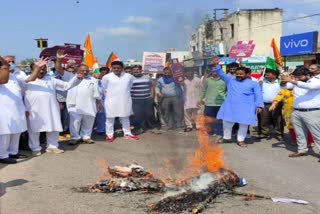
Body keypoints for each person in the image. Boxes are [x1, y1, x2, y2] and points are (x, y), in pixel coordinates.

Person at [25, 60, 84, 156]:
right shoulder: (26, 79)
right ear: (32, 70)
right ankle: (35, 148)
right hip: (33, 109)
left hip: (51, 108)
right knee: (34, 129)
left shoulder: (51, 79)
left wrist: (77, 78)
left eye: (43, 69)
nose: (41, 71)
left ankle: (52, 146)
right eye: (39, 69)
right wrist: (24, 109)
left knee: (53, 127)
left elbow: (66, 86)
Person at [0, 58, 46, 164]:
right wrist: (5, 65)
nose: (11, 63)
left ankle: (13, 152)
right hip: (3, 110)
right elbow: (3, 80)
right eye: (8, 62)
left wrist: (37, 68)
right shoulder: (4, 74)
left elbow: (31, 79)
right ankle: (2, 155)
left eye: (12, 61)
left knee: (16, 132)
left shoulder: (15, 76)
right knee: (5, 133)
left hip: (17, 109)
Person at [211, 57, 264, 147]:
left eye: (241, 74)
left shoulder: (253, 83)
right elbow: (221, 74)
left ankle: (240, 140)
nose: (238, 75)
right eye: (237, 74)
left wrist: (259, 105)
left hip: (246, 107)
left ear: (247, 74)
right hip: (230, 106)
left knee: (243, 124)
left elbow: (258, 95)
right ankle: (227, 138)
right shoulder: (231, 80)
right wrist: (216, 65)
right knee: (227, 122)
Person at [55, 50, 102, 145]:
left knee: (88, 121)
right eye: (82, 70)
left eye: (86, 71)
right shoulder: (70, 76)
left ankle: (86, 136)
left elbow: (96, 93)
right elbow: (59, 69)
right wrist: (59, 60)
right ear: (77, 71)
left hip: (90, 104)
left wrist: (99, 103)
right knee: (75, 122)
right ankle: (75, 137)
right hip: (75, 105)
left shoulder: (93, 79)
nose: (84, 72)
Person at [280, 67, 320, 161]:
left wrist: (293, 80)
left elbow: (310, 87)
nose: (297, 78)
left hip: (312, 112)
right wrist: (284, 81)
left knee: (317, 133)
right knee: (299, 133)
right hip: (296, 111)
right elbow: (284, 86)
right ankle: (302, 150)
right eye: (296, 77)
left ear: (308, 75)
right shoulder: (296, 82)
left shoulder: (316, 81)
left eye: (300, 77)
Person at [101, 61, 139, 142]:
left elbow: (130, 86)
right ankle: (109, 134)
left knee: (125, 117)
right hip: (111, 100)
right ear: (112, 68)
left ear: (122, 68)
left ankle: (127, 133)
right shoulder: (106, 77)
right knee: (110, 118)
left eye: (118, 68)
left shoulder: (129, 76)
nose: (116, 69)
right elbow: (104, 88)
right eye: (114, 68)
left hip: (124, 99)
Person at [130, 65, 160, 134]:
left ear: (141, 70)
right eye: (134, 69)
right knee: (138, 115)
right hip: (135, 100)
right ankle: (141, 128)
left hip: (147, 99)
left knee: (150, 114)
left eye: (137, 69)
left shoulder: (147, 77)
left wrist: (152, 96)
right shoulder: (130, 78)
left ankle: (152, 127)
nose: (136, 71)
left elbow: (152, 86)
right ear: (132, 71)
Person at [198, 68, 226, 138]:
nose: (214, 73)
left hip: (221, 103)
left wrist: (225, 98)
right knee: (208, 119)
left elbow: (227, 91)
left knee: (219, 119)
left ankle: (219, 133)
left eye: (216, 71)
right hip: (209, 103)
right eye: (213, 71)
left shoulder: (224, 80)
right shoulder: (207, 80)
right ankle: (210, 132)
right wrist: (199, 99)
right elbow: (203, 91)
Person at [257, 68, 282, 139]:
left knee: (277, 119)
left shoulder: (279, 82)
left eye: (268, 74)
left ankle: (279, 133)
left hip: (276, 104)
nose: (266, 75)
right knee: (264, 119)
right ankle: (264, 133)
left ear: (274, 75)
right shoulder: (262, 81)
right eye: (266, 73)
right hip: (264, 104)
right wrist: (259, 85)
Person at [183, 68, 201, 132]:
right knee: (187, 114)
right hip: (186, 99)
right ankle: (189, 126)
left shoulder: (198, 80)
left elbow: (201, 89)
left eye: (190, 72)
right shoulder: (183, 81)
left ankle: (198, 125)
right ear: (185, 73)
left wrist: (202, 99)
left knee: (197, 113)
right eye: (187, 72)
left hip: (196, 98)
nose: (189, 73)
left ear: (193, 72)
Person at [95, 67, 110, 134]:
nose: (104, 74)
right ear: (100, 73)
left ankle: (101, 129)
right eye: (103, 72)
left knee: (103, 115)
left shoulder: (110, 81)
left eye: (106, 73)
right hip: (97, 100)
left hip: (107, 100)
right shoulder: (96, 81)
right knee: (98, 114)